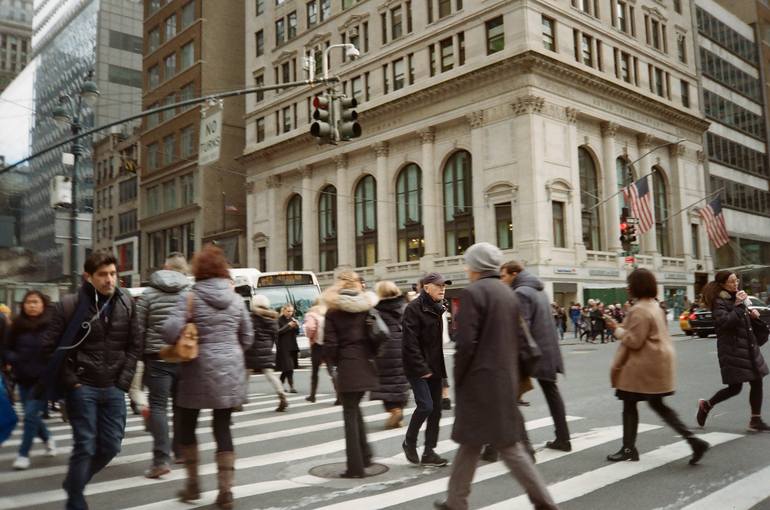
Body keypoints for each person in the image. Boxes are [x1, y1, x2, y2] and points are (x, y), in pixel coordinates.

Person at [435, 242, 557, 510]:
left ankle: (545, 503)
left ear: (476, 266)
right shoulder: (506, 292)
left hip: (479, 382)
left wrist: (460, 378)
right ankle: (456, 501)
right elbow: (523, 341)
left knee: (508, 446)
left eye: (467, 262)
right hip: (503, 378)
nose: (465, 267)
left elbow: (465, 345)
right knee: (471, 442)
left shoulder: (473, 294)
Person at [40, 251, 141, 510]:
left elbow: (135, 345)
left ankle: (74, 483)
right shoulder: (69, 305)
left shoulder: (127, 302)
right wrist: (72, 381)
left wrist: (123, 381)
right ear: (89, 277)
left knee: (110, 446)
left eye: (113, 274)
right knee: (84, 445)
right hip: (83, 388)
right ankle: (76, 500)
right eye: (103, 275)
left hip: (114, 387)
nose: (109, 280)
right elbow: (49, 347)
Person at [163, 244, 254, 509]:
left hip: (196, 370)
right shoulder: (236, 299)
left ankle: (193, 486)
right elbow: (247, 337)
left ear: (198, 270)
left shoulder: (189, 297)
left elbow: (169, 332)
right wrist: (229, 349)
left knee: (186, 426)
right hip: (230, 370)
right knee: (222, 427)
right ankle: (226, 493)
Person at [604, 269, 710, 464]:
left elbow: (634, 341)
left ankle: (629, 449)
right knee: (658, 405)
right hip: (657, 363)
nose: (628, 288)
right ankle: (693, 441)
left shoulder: (640, 309)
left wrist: (616, 330)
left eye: (630, 284)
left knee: (629, 404)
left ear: (637, 286)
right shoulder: (654, 306)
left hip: (642, 366)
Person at [501, 261, 571, 452]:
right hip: (547, 350)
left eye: (504, 276)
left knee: (505, 397)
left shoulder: (521, 293)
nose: (502, 280)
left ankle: (500, 447)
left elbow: (521, 328)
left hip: (530, 354)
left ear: (514, 274)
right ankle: (563, 438)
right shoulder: (539, 290)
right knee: (552, 394)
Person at [135, 252, 191, 478]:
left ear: (165, 267)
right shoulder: (190, 292)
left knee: (158, 406)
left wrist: (138, 356)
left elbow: (138, 328)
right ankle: (180, 451)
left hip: (157, 357)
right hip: (184, 356)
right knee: (181, 406)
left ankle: (161, 459)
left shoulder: (148, 294)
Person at [695, 271, 770, 432]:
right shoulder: (718, 301)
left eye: (736, 281)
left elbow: (742, 321)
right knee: (735, 388)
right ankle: (706, 405)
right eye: (731, 282)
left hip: (747, 346)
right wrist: (737, 305)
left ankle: (755, 420)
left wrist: (753, 316)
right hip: (733, 349)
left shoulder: (738, 297)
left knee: (757, 381)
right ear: (722, 284)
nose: (735, 284)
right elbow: (725, 322)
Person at [323, 271, 378, 478]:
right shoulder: (366, 307)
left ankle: (355, 468)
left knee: (349, 415)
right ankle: (366, 455)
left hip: (347, 365)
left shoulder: (333, 311)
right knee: (356, 410)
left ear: (339, 285)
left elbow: (330, 345)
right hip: (365, 363)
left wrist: (333, 364)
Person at [402, 272, 450, 467]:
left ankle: (429, 451)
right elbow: (410, 342)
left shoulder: (439, 308)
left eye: (444, 285)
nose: (443, 288)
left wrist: (441, 373)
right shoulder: (413, 308)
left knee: (436, 410)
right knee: (426, 406)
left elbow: (437, 344)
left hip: (435, 366)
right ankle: (409, 442)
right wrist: (422, 367)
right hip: (417, 366)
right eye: (439, 285)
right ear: (426, 287)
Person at [5, 291, 56, 470]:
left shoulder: (51, 325)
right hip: (23, 377)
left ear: (43, 304)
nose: (32, 305)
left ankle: (23, 454)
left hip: (43, 380)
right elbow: (6, 348)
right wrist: (15, 358)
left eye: (35, 302)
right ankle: (48, 438)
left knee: (29, 415)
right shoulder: (17, 325)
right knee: (31, 415)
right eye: (28, 302)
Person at [371, 281, 410, 429]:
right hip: (404, 349)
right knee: (401, 382)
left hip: (385, 350)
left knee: (386, 385)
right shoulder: (406, 308)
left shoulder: (377, 311)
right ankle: (399, 412)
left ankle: (394, 410)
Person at [245, 294, 288, 412]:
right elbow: (275, 335)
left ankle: (239, 400)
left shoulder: (251, 317)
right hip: (267, 349)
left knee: (245, 375)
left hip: (251, 349)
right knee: (270, 374)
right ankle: (282, 395)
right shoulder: (273, 318)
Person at [304, 299, 336, 403]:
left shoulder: (311, 314)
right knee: (331, 370)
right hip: (327, 345)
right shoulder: (327, 313)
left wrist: (310, 336)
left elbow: (310, 327)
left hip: (317, 346)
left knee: (315, 372)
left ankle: (312, 396)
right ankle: (339, 396)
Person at [276, 304, 300, 394]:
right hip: (283, 347)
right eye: (288, 311)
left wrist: (297, 326)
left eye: (291, 311)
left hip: (292, 346)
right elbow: (277, 332)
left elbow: (296, 332)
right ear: (284, 310)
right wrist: (288, 325)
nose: (290, 313)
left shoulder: (292, 319)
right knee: (288, 367)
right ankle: (292, 386)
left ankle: (279, 384)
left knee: (288, 368)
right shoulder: (278, 320)